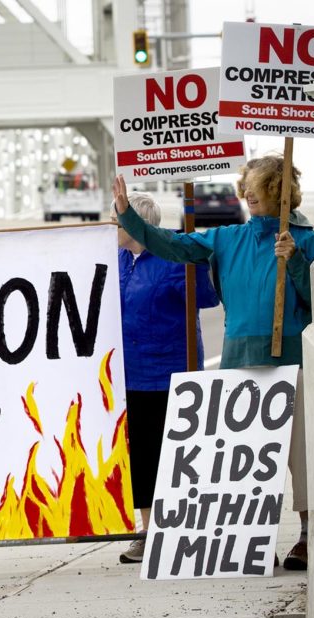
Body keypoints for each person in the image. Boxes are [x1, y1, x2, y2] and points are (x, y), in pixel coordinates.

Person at [112, 155, 314, 571]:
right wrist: (129, 218)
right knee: (244, 459)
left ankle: (305, 535)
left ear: (278, 191)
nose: (246, 192)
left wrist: (297, 263)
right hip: (238, 360)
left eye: (257, 184)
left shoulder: (306, 240)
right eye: (244, 184)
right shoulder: (228, 239)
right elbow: (170, 245)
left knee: (300, 455)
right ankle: (250, 539)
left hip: (294, 360)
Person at [115, 193, 220, 564]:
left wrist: (196, 264)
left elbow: (206, 300)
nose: (113, 228)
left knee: (178, 455)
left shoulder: (172, 260)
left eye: (119, 221)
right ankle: (147, 531)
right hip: (131, 375)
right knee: (141, 456)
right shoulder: (118, 260)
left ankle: (184, 529)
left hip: (173, 371)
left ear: (136, 225)